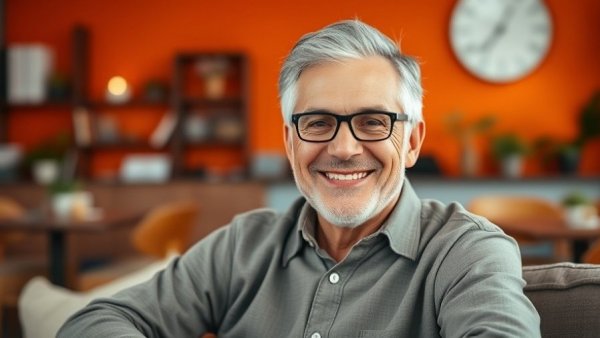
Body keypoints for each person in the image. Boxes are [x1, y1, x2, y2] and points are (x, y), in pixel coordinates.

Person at [58, 19, 540, 337]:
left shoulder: (468, 253)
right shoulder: (243, 246)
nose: (345, 148)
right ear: (291, 144)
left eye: (374, 122)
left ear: (411, 142)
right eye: (317, 122)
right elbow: (97, 321)